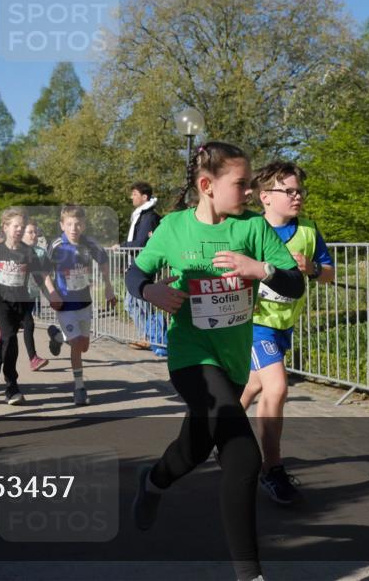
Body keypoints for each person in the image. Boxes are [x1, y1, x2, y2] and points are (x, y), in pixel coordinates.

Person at [126, 141, 304, 581]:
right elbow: (136, 273)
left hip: (232, 361)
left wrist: (257, 269)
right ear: (207, 186)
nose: (248, 192)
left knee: (194, 448)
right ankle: (250, 574)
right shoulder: (173, 228)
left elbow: (294, 284)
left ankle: (154, 480)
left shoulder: (254, 230)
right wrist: (151, 292)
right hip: (191, 358)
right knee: (243, 456)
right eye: (240, 184)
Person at [239, 161, 335, 505]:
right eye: (289, 191)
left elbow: (329, 272)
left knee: (254, 385)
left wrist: (311, 269)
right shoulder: (247, 228)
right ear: (265, 197)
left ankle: (218, 435)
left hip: (283, 324)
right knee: (277, 386)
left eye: (299, 191)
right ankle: (272, 469)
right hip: (253, 322)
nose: (297, 197)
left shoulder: (308, 230)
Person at [0, 207, 48, 405]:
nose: (19, 230)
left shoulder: (28, 251)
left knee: (7, 340)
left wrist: (51, 296)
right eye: (15, 226)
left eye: (22, 227)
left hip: (21, 301)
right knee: (11, 338)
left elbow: (39, 276)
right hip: (1, 301)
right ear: (5, 227)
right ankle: (11, 386)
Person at [44, 204, 117, 406]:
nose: (74, 228)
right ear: (62, 225)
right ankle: (79, 388)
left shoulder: (89, 243)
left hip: (84, 302)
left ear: (84, 225)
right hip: (65, 304)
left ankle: (57, 337)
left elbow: (103, 261)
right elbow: (42, 271)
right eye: (69, 224)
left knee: (83, 346)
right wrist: (51, 292)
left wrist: (108, 286)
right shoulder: (57, 245)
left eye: (78, 224)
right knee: (76, 345)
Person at [120, 182, 163, 352]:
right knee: (132, 304)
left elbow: (140, 243)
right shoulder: (140, 215)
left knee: (139, 303)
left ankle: (152, 337)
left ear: (144, 197)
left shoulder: (149, 217)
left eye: (135, 194)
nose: (132, 197)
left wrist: (121, 245)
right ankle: (148, 336)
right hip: (136, 263)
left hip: (143, 265)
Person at [21, 218, 49, 371]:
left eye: (35, 232)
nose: (34, 235)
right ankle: (33, 358)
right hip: (17, 295)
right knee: (29, 324)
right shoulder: (16, 250)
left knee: (20, 324)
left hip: (32, 294)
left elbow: (45, 275)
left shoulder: (41, 252)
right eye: (30, 232)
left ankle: (2, 336)